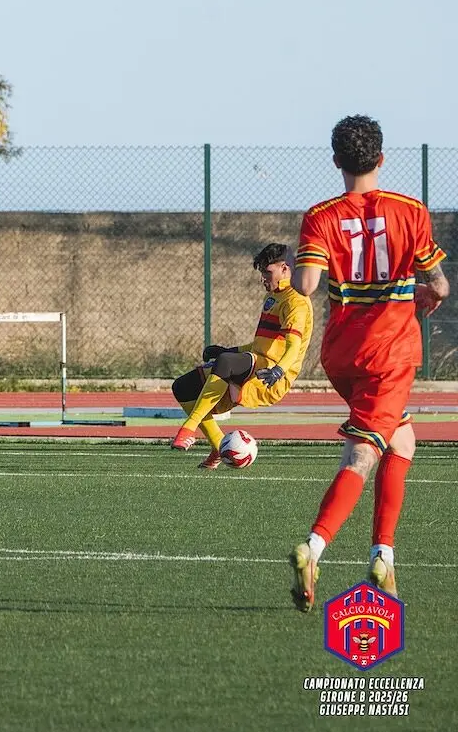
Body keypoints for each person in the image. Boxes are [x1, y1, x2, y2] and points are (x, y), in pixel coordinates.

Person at [288, 115, 448, 611]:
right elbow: (439, 282)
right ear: (381, 158)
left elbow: (306, 286)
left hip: (341, 352)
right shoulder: (410, 211)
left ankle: (384, 556)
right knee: (362, 454)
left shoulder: (320, 215)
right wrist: (431, 291)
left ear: (336, 160)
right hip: (389, 353)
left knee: (402, 439)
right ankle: (314, 546)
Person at [170, 243, 313, 468]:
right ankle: (218, 446)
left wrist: (279, 370)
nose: (263, 278)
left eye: (268, 272)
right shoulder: (274, 297)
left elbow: (293, 346)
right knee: (183, 387)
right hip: (257, 363)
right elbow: (259, 344)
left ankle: (189, 428)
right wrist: (228, 351)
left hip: (271, 374)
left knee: (226, 363)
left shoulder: (296, 301)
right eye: (262, 272)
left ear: (285, 268)